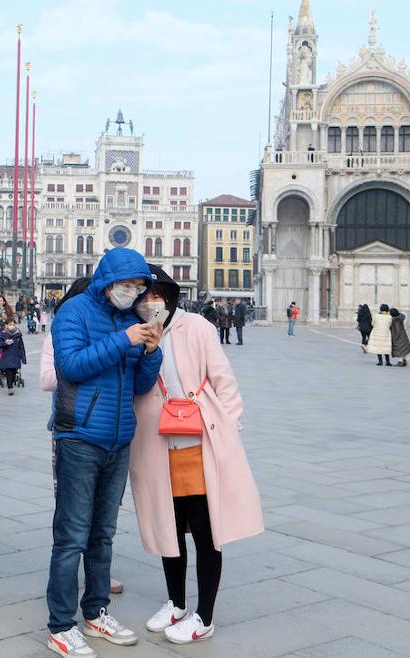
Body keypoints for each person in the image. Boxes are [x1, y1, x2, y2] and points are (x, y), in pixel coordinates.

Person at [129, 266, 263, 645]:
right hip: (157, 444)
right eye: (143, 296)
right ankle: (175, 602)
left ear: (169, 298)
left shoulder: (198, 328)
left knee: (205, 530)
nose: (149, 302)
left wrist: (228, 433)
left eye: (155, 295)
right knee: (168, 527)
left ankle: (204, 614)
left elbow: (224, 381)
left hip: (199, 441)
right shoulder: (136, 334)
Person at [46, 248, 161, 657]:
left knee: (104, 534)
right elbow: (71, 367)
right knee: (72, 535)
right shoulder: (73, 312)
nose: (132, 293)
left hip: (118, 439)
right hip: (78, 436)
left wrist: (151, 351)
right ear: (107, 282)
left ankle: (96, 611)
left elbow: (142, 385)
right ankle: (61, 624)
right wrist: (123, 339)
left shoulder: (134, 320)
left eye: (138, 286)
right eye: (126, 285)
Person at [40, 278, 126, 599]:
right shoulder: (62, 329)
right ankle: (67, 589)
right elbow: (50, 377)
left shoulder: (114, 329)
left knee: (103, 517)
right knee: (73, 514)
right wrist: (94, 356)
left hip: (110, 432)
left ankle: (97, 582)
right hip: (71, 427)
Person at [0, 318, 26, 395]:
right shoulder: (2, 334)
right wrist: (5, 343)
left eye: (13, 325)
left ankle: (11, 383)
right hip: (6, 357)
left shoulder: (18, 335)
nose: (12, 326)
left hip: (15, 356)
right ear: (6, 325)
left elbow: (21, 346)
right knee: (9, 371)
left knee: (14, 372)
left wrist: (23, 357)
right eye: (10, 325)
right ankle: (10, 387)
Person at [0, 294, 15, 379]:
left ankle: (5, 371)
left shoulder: (7, 311)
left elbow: (12, 322)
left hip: (5, 334)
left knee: (5, 354)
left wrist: (5, 320)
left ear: (4, 302)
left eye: (2, 301)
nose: (0, 302)